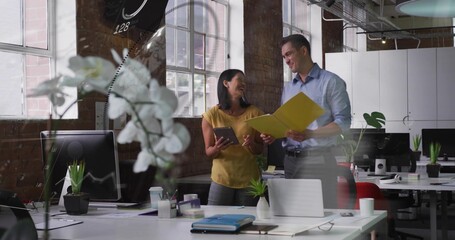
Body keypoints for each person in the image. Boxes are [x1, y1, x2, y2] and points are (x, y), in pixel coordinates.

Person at [261, 34, 351, 208]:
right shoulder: (289, 88)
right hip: (291, 161)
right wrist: (274, 134)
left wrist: (310, 134)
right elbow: (285, 123)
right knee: (294, 214)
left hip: (318, 159)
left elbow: (344, 122)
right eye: (284, 56)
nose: (286, 60)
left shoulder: (331, 82)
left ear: (303, 51)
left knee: (322, 214)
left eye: (289, 54)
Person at [201, 69, 264, 206]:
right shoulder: (211, 115)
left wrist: (251, 144)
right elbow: (208, 152)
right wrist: (217, 148)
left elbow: (260, 149)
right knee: (216, 222)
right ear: (226, 83)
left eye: (245, 82)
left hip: (249, 180)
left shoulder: (255, 113)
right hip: (221, 179)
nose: (243, 84)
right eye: (239, 80)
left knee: (249, 223)